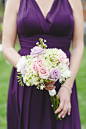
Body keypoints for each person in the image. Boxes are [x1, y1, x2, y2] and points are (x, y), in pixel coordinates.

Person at [2, 0, 84, 128]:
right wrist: (32, 71)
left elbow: (78, 45)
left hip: (62, 81)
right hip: (27, 83)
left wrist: (67, 87)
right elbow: (7, 47)